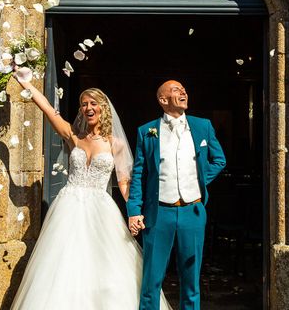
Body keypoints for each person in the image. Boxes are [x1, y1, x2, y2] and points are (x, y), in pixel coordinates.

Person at [10, 68, 171, 309]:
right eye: (84, 104)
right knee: (63, 264)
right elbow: (47, 110)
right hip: (68, 207)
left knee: (105, 265)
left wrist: (134, 211)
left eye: (93, 103)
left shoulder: (114, 144)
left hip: (100, 209)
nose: (88, 108)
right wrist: (27, 84)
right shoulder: (73, 135)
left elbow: (125, 182)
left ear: (103, 108)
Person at [127, 80, 226, 310]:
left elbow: (219, 160)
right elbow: (139, 173)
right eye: (175, 90)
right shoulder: (147, 131)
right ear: (163, 100)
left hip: (193, 211)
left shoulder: (203, 126)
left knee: (191, 281)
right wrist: (134, 210)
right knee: (152, 280)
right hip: (159, 213)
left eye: (183, 89)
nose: (183, 91)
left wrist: (198, 180)